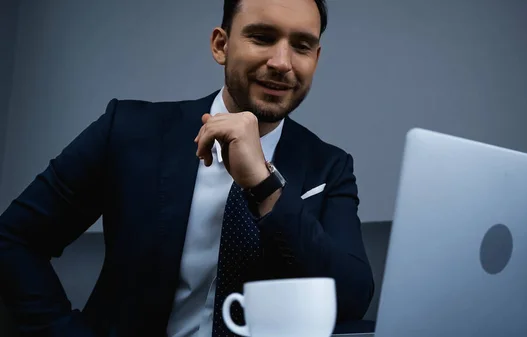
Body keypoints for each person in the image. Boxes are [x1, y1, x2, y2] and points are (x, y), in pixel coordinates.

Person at [0, 0, 375, 336]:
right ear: (221, 45)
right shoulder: (129, 130)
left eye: (301, 46)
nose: (281, 62)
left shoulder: (331, 167)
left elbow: (352, 300)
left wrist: (265, 184)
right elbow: (14, 239)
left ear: (316, 59)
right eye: (262, 37)